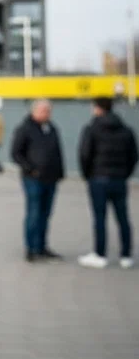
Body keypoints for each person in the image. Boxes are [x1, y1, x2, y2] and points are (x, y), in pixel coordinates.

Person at [77, 97, 137, 269]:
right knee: (123, 217)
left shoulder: (91, 129)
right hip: (119, 179)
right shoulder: (126, 130)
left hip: (98, 179)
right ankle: (126, 256)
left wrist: (88, 175)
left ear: (97, 108)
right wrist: (124, 174)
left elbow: (84, 154)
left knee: (99, 218)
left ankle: (100, 254)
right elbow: (134, 155)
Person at [11, 99, 64, 262]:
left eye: (48, 111)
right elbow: (16, 153)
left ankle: (42, 246)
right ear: (34, 111)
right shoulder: (25, 128)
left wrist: (60, 172)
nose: (47, 114)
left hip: (51, 178)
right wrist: (30, 169)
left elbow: (57, 151)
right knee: (34, 213)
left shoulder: (52, 128)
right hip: (33, 179)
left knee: (45, 214)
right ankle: (31, 248)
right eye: (43, 111)